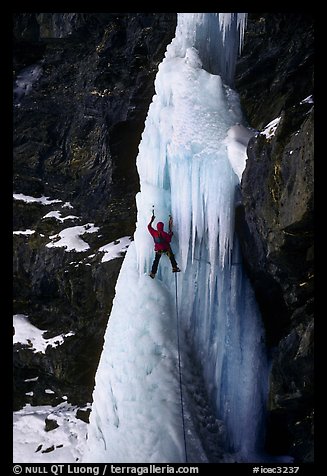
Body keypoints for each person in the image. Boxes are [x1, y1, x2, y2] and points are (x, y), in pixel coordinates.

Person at [148, 214, 180, 279]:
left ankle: (153, 273)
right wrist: (170, 234)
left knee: (156, 261)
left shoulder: (154, 232)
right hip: (166, 249)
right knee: (171, 257)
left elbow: (149, 227)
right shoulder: (164, 234)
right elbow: (169, 240)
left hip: (158, 250)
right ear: (162, 227)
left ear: (157, 227)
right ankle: (174, 267)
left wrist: (152, 220)